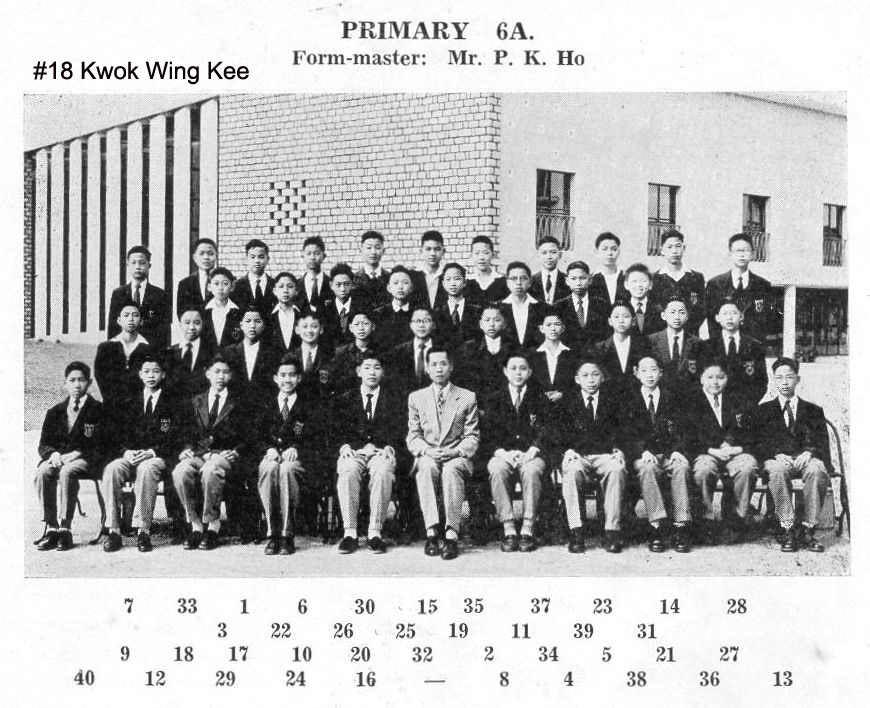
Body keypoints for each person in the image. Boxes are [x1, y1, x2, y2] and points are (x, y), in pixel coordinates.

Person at [101, 352, 185, 553]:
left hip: (158, 458)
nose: (151, 376)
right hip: (132, 456)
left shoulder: (174, 403)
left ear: (163, 374)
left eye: (156, 371)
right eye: (146, 371)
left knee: (147, 469)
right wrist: (126, 452)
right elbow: (117, 436)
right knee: (112, 469)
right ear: (140, 374)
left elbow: (178, 439)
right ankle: (114, 530)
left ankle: (143, 530)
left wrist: (152, 452)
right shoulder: (129, 402)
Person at [407, 346, 480, 560]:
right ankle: (431, 532)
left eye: (443, 364)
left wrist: (454, 451)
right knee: (425, 467)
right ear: (427, 369)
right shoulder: (417, 398)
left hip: (456, 455)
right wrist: (427, 450)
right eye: (433, 365)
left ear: (451, 367)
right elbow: (413, 435)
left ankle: (451, 534)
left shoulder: (466, 397)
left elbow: (472, 436)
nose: (438, 369)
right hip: (429, 453)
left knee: (451, 471)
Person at [172, 354, 250, 550]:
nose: (221, 376)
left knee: (210, 470)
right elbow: (186, 432)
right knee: (181, 471)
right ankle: (196, 525)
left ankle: (213, 525)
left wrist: (237, 451)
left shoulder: (240, 402)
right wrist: (187, 449)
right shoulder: (196, 401)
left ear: (231, 375)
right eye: (216, 372)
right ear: (207, 374)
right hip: (200, 454)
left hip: (224, 455)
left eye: (225, 372)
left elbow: (249, 435)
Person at [332, 351, 408, 554]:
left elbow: (401, 430)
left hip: (380, 451)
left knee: (382, 470)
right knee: (347, 470)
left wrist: (390, 447)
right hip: (354, 452)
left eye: (376, 367)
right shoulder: (345, 399)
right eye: (367, 367)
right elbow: (334, 430)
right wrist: (344, 446)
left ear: (383, 372)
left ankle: (375, 532)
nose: (372, 372)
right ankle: (350, 532)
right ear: (358, 371)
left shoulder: (394, 399)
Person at [755, 357, 831, 553]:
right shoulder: (763, 410)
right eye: (779, 378)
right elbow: (757, 443)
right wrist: (775, 454)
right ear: (773, 380)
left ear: (798, 379)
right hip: (779, 460)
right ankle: (787, 527)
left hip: (805, 458)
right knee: (776, 470)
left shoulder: (813, 410)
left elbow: (822, 442)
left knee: (817, 470)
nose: (784, 382)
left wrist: (809, 452)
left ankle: (808, 529)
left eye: (789, 377)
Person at [557, 356, 629, 554]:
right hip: (578, 455)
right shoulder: (566, 403)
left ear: (602, 378)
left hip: (605, 455)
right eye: (585, 375)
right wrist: (567, 450)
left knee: (616, 469)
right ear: (577, 379)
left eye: (595, 374)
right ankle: (576, 531)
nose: (590, 380)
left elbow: (624, 430)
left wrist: (619, 449)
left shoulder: (613, 401)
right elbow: (557, 433)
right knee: (572, 471)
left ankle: (612, 531)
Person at [482, 350, 552, 553]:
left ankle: (528, 528)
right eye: (513, 368)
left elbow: (547, 428)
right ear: (505, 371)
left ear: (530, 372)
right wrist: (503, 453)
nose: (518, 373)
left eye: (523, 369)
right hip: (504, 454)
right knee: (497, 469)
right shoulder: (495, 398)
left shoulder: (540, 397)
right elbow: (488, 432)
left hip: (531, 454)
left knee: (531, 471)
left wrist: (533, 449)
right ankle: (509, 529)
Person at [34, 362, 106, 551]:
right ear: (65, 383)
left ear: (89, 382)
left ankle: (65, 529)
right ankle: (52, 528)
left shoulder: (99, 410)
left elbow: (103, 444)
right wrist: (53, 454)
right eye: (72, 380)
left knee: (68, 471)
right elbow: (43, 444)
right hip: (59, 459)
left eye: (81, 380)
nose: (77, 385)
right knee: (43, 472)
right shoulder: (55, 412)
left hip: (88, 460)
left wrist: (77, 453)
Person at [686, 359, 758, 544]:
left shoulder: (738, 399)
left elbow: (751, 432)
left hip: (734, 452)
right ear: (701, 378)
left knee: (748, 466)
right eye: (710, 377)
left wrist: (736, 447)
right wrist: (713, 449)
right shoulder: (691, 401)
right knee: (703, 470)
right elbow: (687, 436)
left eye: (720, 377)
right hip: (706, 451)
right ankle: (705, 519)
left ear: (727, 378)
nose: (715, 382)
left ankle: (737, 518)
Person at [627, 354, 693, 553]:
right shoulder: (628, 399)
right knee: (648, 468)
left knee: (681, 467)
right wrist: (642, 450)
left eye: (654, 370)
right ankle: (656, 526)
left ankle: (680, 526)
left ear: (661, 373)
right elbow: (624, 433)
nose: (649, 375)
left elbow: (684, 428)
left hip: (669, 453)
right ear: (636, 373)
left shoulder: (672, 397)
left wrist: (678, 450)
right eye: (644, 370)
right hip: (643, 456)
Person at [255, 355, 314, 556]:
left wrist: (297, 448)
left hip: (296, 460)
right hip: (271, 456)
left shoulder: (308, 406)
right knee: (269, 468)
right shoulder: (265, 404)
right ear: (275, 378)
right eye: (283, 375)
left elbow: (315, 437)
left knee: (287, 470)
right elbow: (256, 435)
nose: (287, 380)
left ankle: (287, 534)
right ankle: (273, 534)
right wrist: (268, 449)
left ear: (299, 378)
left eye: (292, 375)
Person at [705, 232, 773, 342]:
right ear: (729, 254)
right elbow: (712, 322)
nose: (741, 255)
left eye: (745, 250)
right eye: (737, 251)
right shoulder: (715, 284)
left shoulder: (763, 285)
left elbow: (766, 321)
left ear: (753, 254)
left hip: (753, 347)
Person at [698, 298, 769, 403]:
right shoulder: (706, 346)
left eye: (734, 313)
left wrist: (748, 405)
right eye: (725, 313)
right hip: (716, 405)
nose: (729, 317)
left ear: (741, 316)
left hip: (746, 406)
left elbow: (762, 382)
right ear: (717, 318)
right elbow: (701, 380)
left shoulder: (755, 346)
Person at [107, 245, 170, 350]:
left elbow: (164, 331)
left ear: (149, 265)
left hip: (151, 352)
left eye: (142, 263)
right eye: (133, 263)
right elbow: (113, 328)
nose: (137, 267)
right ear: (128, 265)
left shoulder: (160, 295)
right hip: (125, 351)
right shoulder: (118, 294)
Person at [94, 301, 153, 410]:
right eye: (126, 315)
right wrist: (112, 400)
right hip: (111, 407)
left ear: (141, 320)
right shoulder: (105, 348)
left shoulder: (148, 350)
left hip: (138, 408)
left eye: (135, 315)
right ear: (119, 320)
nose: (131, 319)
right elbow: (101, 377)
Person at [652, 229, 706, 336]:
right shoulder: (655, 278)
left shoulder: (696, 277)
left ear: (684, 248)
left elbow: (701, 309)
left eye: (678, 246)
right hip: (663, 336)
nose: (674, 251)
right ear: (662, 250)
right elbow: (653, 311)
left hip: (689, 335)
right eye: (669, 247)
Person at [590, 301, 650, 393]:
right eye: (616, 317)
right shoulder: (599, 348)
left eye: (626, 316)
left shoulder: (642, 346)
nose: (621, 320)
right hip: (607, 396)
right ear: (610, 321)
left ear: (633, 321)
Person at [646, 295, 701, 393]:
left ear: (687, 316)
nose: (677, 317)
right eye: (672, 312)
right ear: (663, 315)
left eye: (681, 312)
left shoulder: (697, 343)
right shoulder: (651, 341)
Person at [553, 259, 609, 351]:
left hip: (596, 354)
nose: (578, 283)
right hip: (568, 355)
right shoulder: (558, 307)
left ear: (590, 280)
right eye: (573, 278)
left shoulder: (602, 305)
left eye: (582, 278)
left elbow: (606, 334)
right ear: (567, 281)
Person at [223, 305, 277, 397]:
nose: (252, 326)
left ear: (263, 325)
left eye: (257, 321)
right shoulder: (229, 352)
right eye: (248, 321)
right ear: (241, 325)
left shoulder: (272, 353)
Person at [460, 304, 512, 396]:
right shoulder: (469, 348)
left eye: (497, 320)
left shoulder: (513, 348)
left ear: (504, 324)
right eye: (487, 320)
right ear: (481, 324)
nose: (491, 324)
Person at [389, 306, 438, 397]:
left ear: (433, 325)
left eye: (426, 320)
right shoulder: (399, 351)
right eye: (417, 321)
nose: (421, 325)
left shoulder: (442, 349)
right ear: (411, 325)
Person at [529, 309, 576, 403]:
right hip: (539, 406)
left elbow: (575, 383)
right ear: (541, 328)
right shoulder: (532, 355)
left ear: (563, 328)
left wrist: (563, 393)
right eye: (548, 325)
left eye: (557, 324)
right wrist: (542, 396)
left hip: (565, 406)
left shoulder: (571, 354)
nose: (553, 328)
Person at [165, 307, 212, 398]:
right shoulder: (170, 352)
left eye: (197, 323)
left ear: (203, 324)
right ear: (180, 324)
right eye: (187, 322)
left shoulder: (211, 352)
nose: (192, 327)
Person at [328, 311, 378, 396]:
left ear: (373, 326)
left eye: (365, 323)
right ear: (351, 327)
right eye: (356, 324)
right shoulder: (341, 353)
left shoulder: (380, 350)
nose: (361, 328)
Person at [434, 262, 482, 347]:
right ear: (443, 284)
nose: (453, 283)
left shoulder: (477, 311)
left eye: (457, 279)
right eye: (448, 279)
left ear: (465, 282)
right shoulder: (437, 312)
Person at [500, 261, 545, 350]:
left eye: (524, 278)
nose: (518, 282)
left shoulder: (542, 308)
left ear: (530, 282)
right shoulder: (498, 308)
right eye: (514, 278)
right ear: (507, 282)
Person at [321, 262, 364, 349]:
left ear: (351, 284)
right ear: (331, 285)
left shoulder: (361, 307)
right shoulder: (325, 310)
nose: (343, 289)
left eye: (346, 284)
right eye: (338, 284)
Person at [231, 238, 277, 318]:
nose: (257, 261)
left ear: (267, 259)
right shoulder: (237, 286)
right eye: (252, 257)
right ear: (246, 259)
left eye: (261, 257)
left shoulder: (275, 285)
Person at [372, 266, 415, 350]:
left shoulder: (418, 313)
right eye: (395, 283)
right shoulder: (378, 314)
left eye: (405, 282)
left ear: (411, 288)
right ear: (389, 288)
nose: (400, 287)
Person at [176, 237, 218, 319]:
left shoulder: (226, 282)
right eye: (201, 253)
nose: (206, 257)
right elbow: (182, 314)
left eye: (210, 253)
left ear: (216, 256)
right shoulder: (185, 284)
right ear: (194, 257)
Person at [201, 266, 242, 351]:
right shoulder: (202, 311)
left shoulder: (238, 312)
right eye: (216, 284)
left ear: (232, 286)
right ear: (209, 287)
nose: (220, 288)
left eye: (225, 284)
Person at [410, 230, 448, 309]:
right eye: (428, 249)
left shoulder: (448, 275)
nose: (432, 253)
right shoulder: (412, 276)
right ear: (421, 251)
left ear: (443, 251)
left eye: (437, 249)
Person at [266, 271, 302, 355]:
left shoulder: (302, 316)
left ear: (296, 291)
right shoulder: (268, 317)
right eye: (281, 286)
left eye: (290, 286)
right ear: (275, 291)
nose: (285, 290)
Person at [465, 235, 508, 306]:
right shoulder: (466, 283)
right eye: (477, 253)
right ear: (471, 256)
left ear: (493, 255)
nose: (481, 257)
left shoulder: (504, 282)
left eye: (486, 253)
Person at [352, 230, 390, 308]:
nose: (373, 252)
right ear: (361, 250)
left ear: (383, 250)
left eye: (377, 247)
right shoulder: (353, 279)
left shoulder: (391, 279)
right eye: (369, 248)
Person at [624, 263, 665, 337]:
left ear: (650, 285)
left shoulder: (659, 309)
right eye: (634, 281)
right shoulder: (621, 309)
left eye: (643, 281)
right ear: (626, 285)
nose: (639, 285)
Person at [588, 232, 628, 306]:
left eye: (614, 249)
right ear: (597, 252)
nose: (609, 253)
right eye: (605, 249)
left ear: (619, 252)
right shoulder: (590, 279)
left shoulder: (627, 277)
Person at [529, 236, 570, 305]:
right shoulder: (530, 281)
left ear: (560, 255)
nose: (549, 257)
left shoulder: (569, 281)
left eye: (553, 252)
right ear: (538, 255)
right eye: (544, 253)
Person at [297, 236, 331, 314]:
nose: (312, 257)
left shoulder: (331, 284)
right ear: (303, 256)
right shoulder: (297, 285)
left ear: (324, 256)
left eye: (317, 253)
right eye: (308, 253)